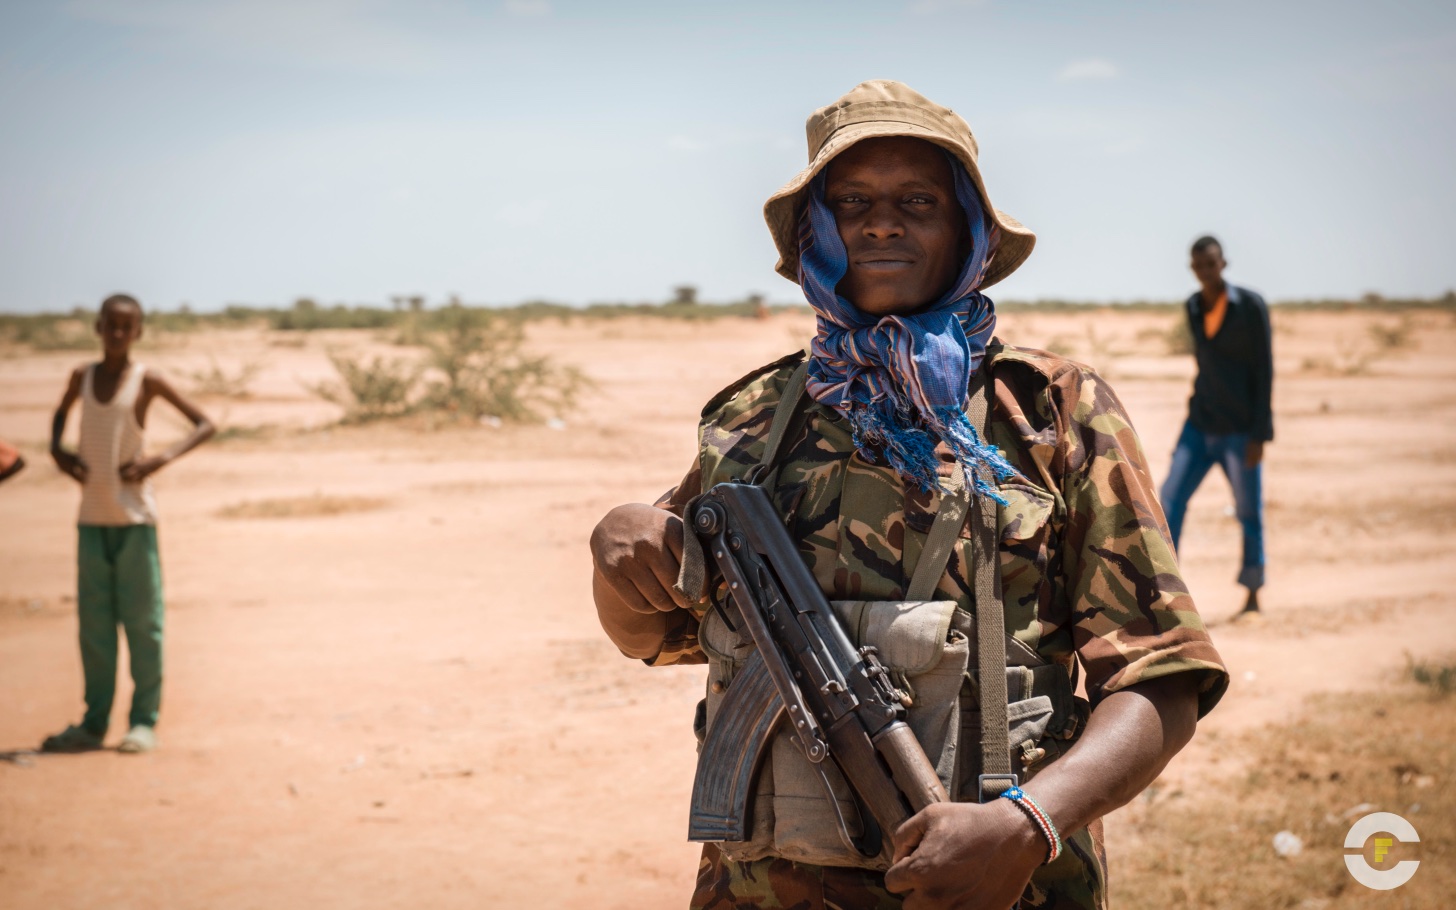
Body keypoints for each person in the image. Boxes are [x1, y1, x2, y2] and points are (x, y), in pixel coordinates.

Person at [590, 81, 1229, 909]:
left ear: (969, 230)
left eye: (917, 201)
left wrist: (1031, 823)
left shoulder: (1048, 412)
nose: (881, 222)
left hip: (999, 885)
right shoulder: (753, 422)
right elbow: (658, 635)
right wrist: (618, 552)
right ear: (814, 232)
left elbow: (1163, 678)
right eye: (851, 201)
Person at [41, 294, 215, 754]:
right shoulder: (82, 376)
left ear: (138, 332)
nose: (118, 334)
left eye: (127, 327)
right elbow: (60, 415)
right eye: (110, 325)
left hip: (135, 520)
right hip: (91, 519)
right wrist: (59, 452)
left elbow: (204, 423)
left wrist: (158, 460)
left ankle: (143, 721)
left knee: (143, 625)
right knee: (94, 628)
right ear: (97, 328)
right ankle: (94, 723)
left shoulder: (146, 380)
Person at [1160, 236, 1273, 615]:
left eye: (1211, 264)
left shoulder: (1250, 306)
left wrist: (1260, 433)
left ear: (1223, 264)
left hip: (1240, 432)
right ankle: (1165, 591)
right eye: (1198, 266)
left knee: (1248, 510)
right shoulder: (1193, 306)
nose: (1205, 272)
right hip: (1199, 425)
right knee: (1169, 500)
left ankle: (1253, 592)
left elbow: (1265, 370)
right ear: (1193, 269)